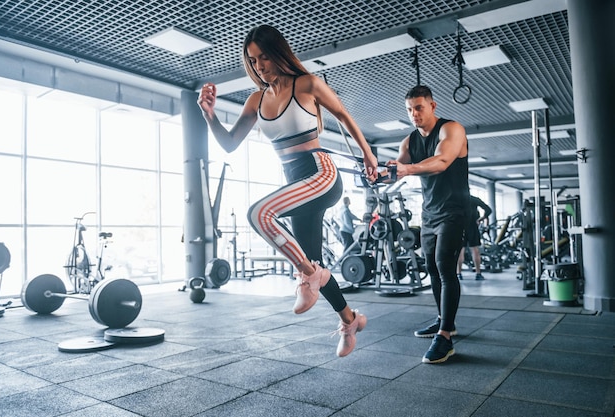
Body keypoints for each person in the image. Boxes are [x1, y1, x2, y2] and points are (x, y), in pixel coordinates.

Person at [197, 24, 378, 357]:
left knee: (259, 213)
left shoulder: (307, 84)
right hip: (295, 184)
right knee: (314, 262)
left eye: (264, 57)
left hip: (321, 174)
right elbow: (229, 144)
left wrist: (368, 154)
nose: (260, 66)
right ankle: (350, 320)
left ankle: (307, 276)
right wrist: (209, 116)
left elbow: (343, 114)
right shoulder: (256, 100)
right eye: (253, 61)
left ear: (279, 53)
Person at [384, 85, 469, 364]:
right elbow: (395, 171)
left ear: (432, 105)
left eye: (419, 108)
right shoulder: (409, 141)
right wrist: (377, 173)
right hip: (430, 213)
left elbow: (443, 161)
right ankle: (444, 320)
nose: (414, 114)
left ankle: (445, 337)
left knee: (445, 266)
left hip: (455, 210)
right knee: (431, 268)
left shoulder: (451, 130)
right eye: (409, 109)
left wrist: (405, 169)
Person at [457, 195, 492, 281]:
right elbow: (488, 210)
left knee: (460, 250)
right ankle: (478, 274)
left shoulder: (457, 199)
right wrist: (481, 219)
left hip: (460, 227)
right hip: (473, 226)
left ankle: (458, 274)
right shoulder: (474, 199)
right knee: (475, 250)